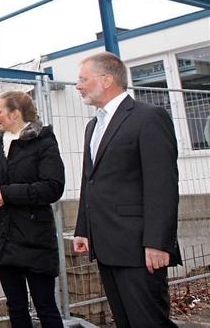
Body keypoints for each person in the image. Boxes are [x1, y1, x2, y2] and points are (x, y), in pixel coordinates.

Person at [74, 52, 180, 327]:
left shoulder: (148, 118)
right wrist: (83, 229)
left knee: (148, 321)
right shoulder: (92, 126)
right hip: (106, 245)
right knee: (124, 321)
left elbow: (162, 185)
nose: (78, 85)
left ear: (106, 79)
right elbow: (91, 180)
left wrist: (157, 243)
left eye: (83, 79)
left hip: (139, 248)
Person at [0, 91, 65, 328]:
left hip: (34, 239)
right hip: (5, 238)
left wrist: (7, 194)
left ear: (15, 113)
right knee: (15, 307)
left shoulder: (43, 141)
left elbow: (52, 187)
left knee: (45, 306)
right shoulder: (1, 142)